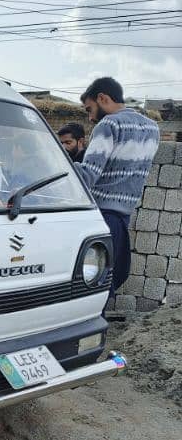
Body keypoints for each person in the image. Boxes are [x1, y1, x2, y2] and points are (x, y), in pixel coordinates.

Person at [78, 77, 159, 299]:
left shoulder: (109, 125)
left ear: (102, 98)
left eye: (90, 109)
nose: (90, 117)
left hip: (101, 216)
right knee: (107, 282)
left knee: (91, 286)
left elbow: (88, 174)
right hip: (123, 217)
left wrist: (61, 166)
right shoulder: (153, 129)